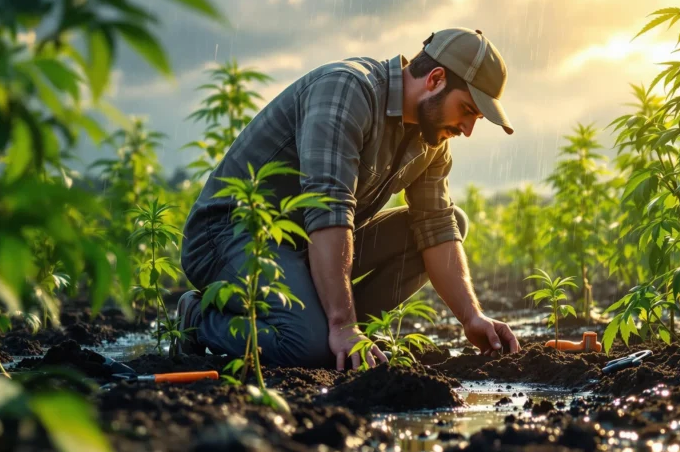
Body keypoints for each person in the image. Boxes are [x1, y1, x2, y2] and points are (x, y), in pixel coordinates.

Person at [176, 27, 522, 370]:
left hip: (304, 249)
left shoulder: (431, 143)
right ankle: (199, 316)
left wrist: (471, 317)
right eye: (466, 110)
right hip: (231, 235)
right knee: (308, 350)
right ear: (435, 79)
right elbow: (329, 209)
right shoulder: (346, 90)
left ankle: (345, 332)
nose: (467, 129)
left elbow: (436, 226)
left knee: (451, 222)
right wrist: (342, 325)